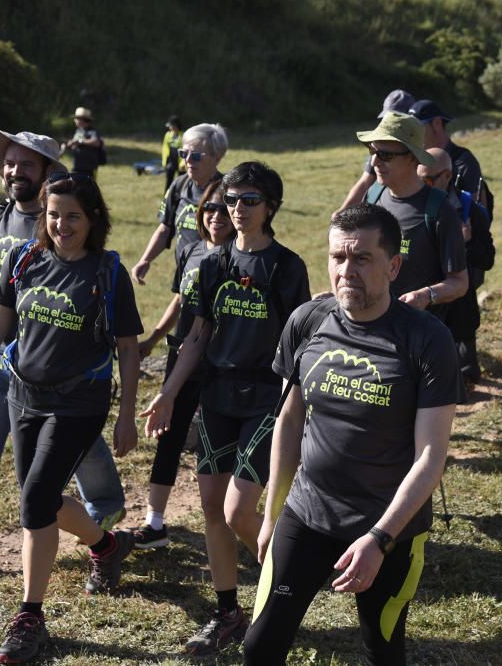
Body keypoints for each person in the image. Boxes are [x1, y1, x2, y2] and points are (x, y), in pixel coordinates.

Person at [242, 203, 462, 665]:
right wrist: (272, 512)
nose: (347, 271)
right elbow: (288, 419)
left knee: (381, 650)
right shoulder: (307, 321)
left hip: (390, 529)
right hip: (307, 511)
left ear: (394, 265)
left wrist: (380, 538)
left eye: (362, 258)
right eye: (338, 258)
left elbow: (431, 456)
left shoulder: (427, 340)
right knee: (260, 647)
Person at [141, 162, 310, 654]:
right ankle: (227, 612)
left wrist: (298, 404)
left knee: (239, 510)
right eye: (231, 200)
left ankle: (287, 582)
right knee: (213, 508)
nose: (237, 209)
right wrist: (169, 392)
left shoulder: (286, 267)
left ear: (270, 207)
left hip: (266, 398)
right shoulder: (209, 264)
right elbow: (196, 336)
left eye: (249, 200)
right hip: (216, 397)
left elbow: (299, 341)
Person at [0, 173, 142, 663]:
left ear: (93, 218)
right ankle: (107, 546)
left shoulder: (107, 273)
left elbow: (129, 350)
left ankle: (30, 616)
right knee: (41, 498)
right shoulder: (24, 259)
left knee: (34, 500)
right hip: (23, 395)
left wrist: (127, 414)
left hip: (79, 403)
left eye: (73, 215)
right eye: (53, 215)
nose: (62, 224)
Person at [0, 131, 125, 550]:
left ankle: (105, 505)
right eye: (9, 162)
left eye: (26, 164)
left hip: (61, 365)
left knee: (78, 444)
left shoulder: (61, 220)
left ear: (47, 173)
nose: (13, 171)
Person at [132, 183, 237, 549]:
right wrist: (155, 338)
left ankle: (230, 518)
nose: (216, 216)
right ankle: (155, 522)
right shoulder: (191, 248)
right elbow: (180, 300)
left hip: (223, 362)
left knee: (220, 440)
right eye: (209, 208)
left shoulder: (240, 257)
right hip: (184, 353)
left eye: (225, 209)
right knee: (169, 434)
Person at [357, 111, 468, 314]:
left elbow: (459, 282)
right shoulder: (372, 196)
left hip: (418, 334)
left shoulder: (440, 210)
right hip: (372, 322)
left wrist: (425, 296)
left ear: (412, 158)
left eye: (385, 155)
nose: (374, 162)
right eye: (372, 152)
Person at [418, 148, 495, 385]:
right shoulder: (411, 206)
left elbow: (487, 259)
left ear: (448, 176)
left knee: (466, 373)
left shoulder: (469, 208)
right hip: (424, 303)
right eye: (419, 178)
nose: (424, 186)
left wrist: (469, 243)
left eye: (430, 179)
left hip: (461, 304)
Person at [131, 123, 228, 285]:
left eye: (196, 156)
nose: (187, 161)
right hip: (186, 275)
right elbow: (165, 228)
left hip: (217, 279)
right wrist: (145, 260)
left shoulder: (227, 193)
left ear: (216, 157)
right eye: (183, 154)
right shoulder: (179, 185)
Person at [334, 89, 416, 217]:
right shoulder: (380, 151)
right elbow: (365, 181)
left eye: (396, 119)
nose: (375, 161)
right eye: (386, 119)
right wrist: (342, 212)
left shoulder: (420, 147)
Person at [409, 99, 485, 199]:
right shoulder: (412, 160)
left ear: (437, 123)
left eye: (417, 127)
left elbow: (476, 209)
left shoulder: (463, 163)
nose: (412, 134)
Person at [61, 107, 104, 177]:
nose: (74, 120)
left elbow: (96, 143)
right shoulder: (78, 130)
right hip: (77, 166)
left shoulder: (92, 131)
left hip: (88, 168)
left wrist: (79, 141)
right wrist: (68, 145)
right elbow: (75, 144)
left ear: (81, 119)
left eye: (76, 118)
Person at [161, 115, 184, 193]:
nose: (169, 128)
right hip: (171, 161)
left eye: (170, 126)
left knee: (181, 182)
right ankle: (166, 196)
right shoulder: (168, 135)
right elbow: (165, 147)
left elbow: (185, 150)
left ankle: (180, 196)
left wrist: (183, 163)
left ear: (175, 126)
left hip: (180, 163)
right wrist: (165, 161)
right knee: (169, 180)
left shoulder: (183, 136)